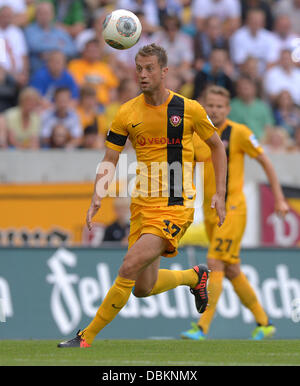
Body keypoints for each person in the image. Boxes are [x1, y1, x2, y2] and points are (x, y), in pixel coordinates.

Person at [57, 43, 227, 348]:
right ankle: (195, 277)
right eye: (139, 69)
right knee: (142, 288)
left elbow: (217, 146)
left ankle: (86, 337)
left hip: (175, 206)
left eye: (149, 69)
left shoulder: (189, 109)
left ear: (164, 71)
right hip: (142, 205)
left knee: (128, 266)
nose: (143, 74)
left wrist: (220, 193)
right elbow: (110, 159)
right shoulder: (127, 112)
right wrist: (97, 196)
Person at [181, 85, 289, 341]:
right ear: (204, 107)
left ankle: (202, 326)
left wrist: (280, 198)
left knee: (215, 263)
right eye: (211, 105)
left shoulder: (239, 133)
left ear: (228, 109)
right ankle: (264, 322)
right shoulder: (199, 135)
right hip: (210, 212)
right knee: (232, 270)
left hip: (233, 209)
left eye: (220, 106)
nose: (215, 110)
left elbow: (266, 162)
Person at [24, 1, 77, 73]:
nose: (44, 16)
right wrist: (58, 45)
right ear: (36, 15)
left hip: (60, 71)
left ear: (52, 15)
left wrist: (51, 54)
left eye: (46, 13)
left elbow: (72, 49)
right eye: (41, 13)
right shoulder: (30, 30)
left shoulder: (59, 30)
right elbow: (34, 46)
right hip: (38, 70)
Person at [229, 75, 274, 140]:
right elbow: (231, 128)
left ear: (254, 88)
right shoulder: (232, 106)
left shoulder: (263, 106)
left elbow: (269, 127)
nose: (244, 88)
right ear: (237, 89)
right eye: (242, 86)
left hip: (261, 142)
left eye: (247, 85)